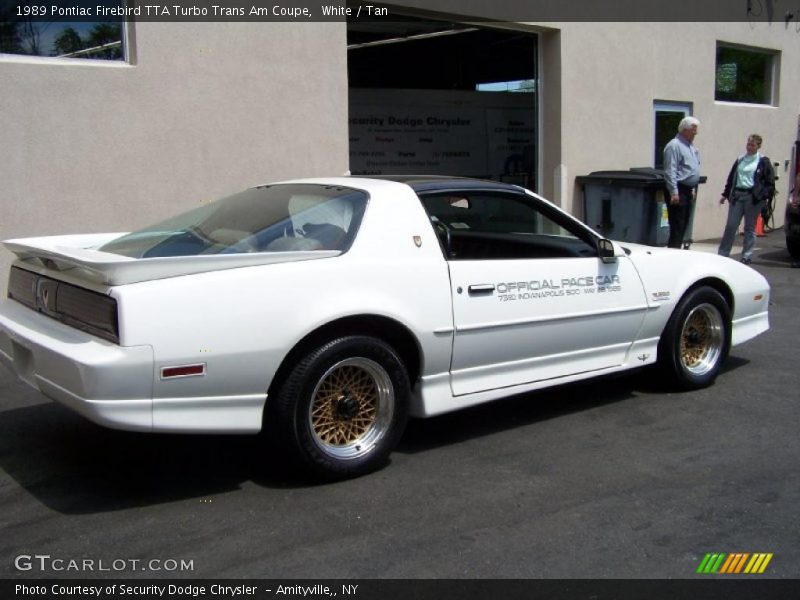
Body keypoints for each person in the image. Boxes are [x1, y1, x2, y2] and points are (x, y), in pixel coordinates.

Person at [717, 134, 776, 264]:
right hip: (737, 195)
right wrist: (725, 194)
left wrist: (762, 195)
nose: (749, 147)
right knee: (731, 225)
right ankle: (723, 253)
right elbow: (732, 178)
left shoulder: (763, 161)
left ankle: (747, 255)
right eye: (748, 144)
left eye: (752, 145)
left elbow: (770, 182)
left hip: (752, 198)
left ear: (758, 146)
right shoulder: (740, 159)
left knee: (749, 228)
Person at [663, 116, 701, 249]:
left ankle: (677, 250)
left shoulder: (690, 147)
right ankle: (673, 252)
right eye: (693, 130)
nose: (696, 133)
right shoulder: (674, 146)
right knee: (677, 226)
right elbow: (670, 170)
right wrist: (674, 192)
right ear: (685, 129)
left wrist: (694, 189)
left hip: (688, 190)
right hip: (678, 190)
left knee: (684, 224)